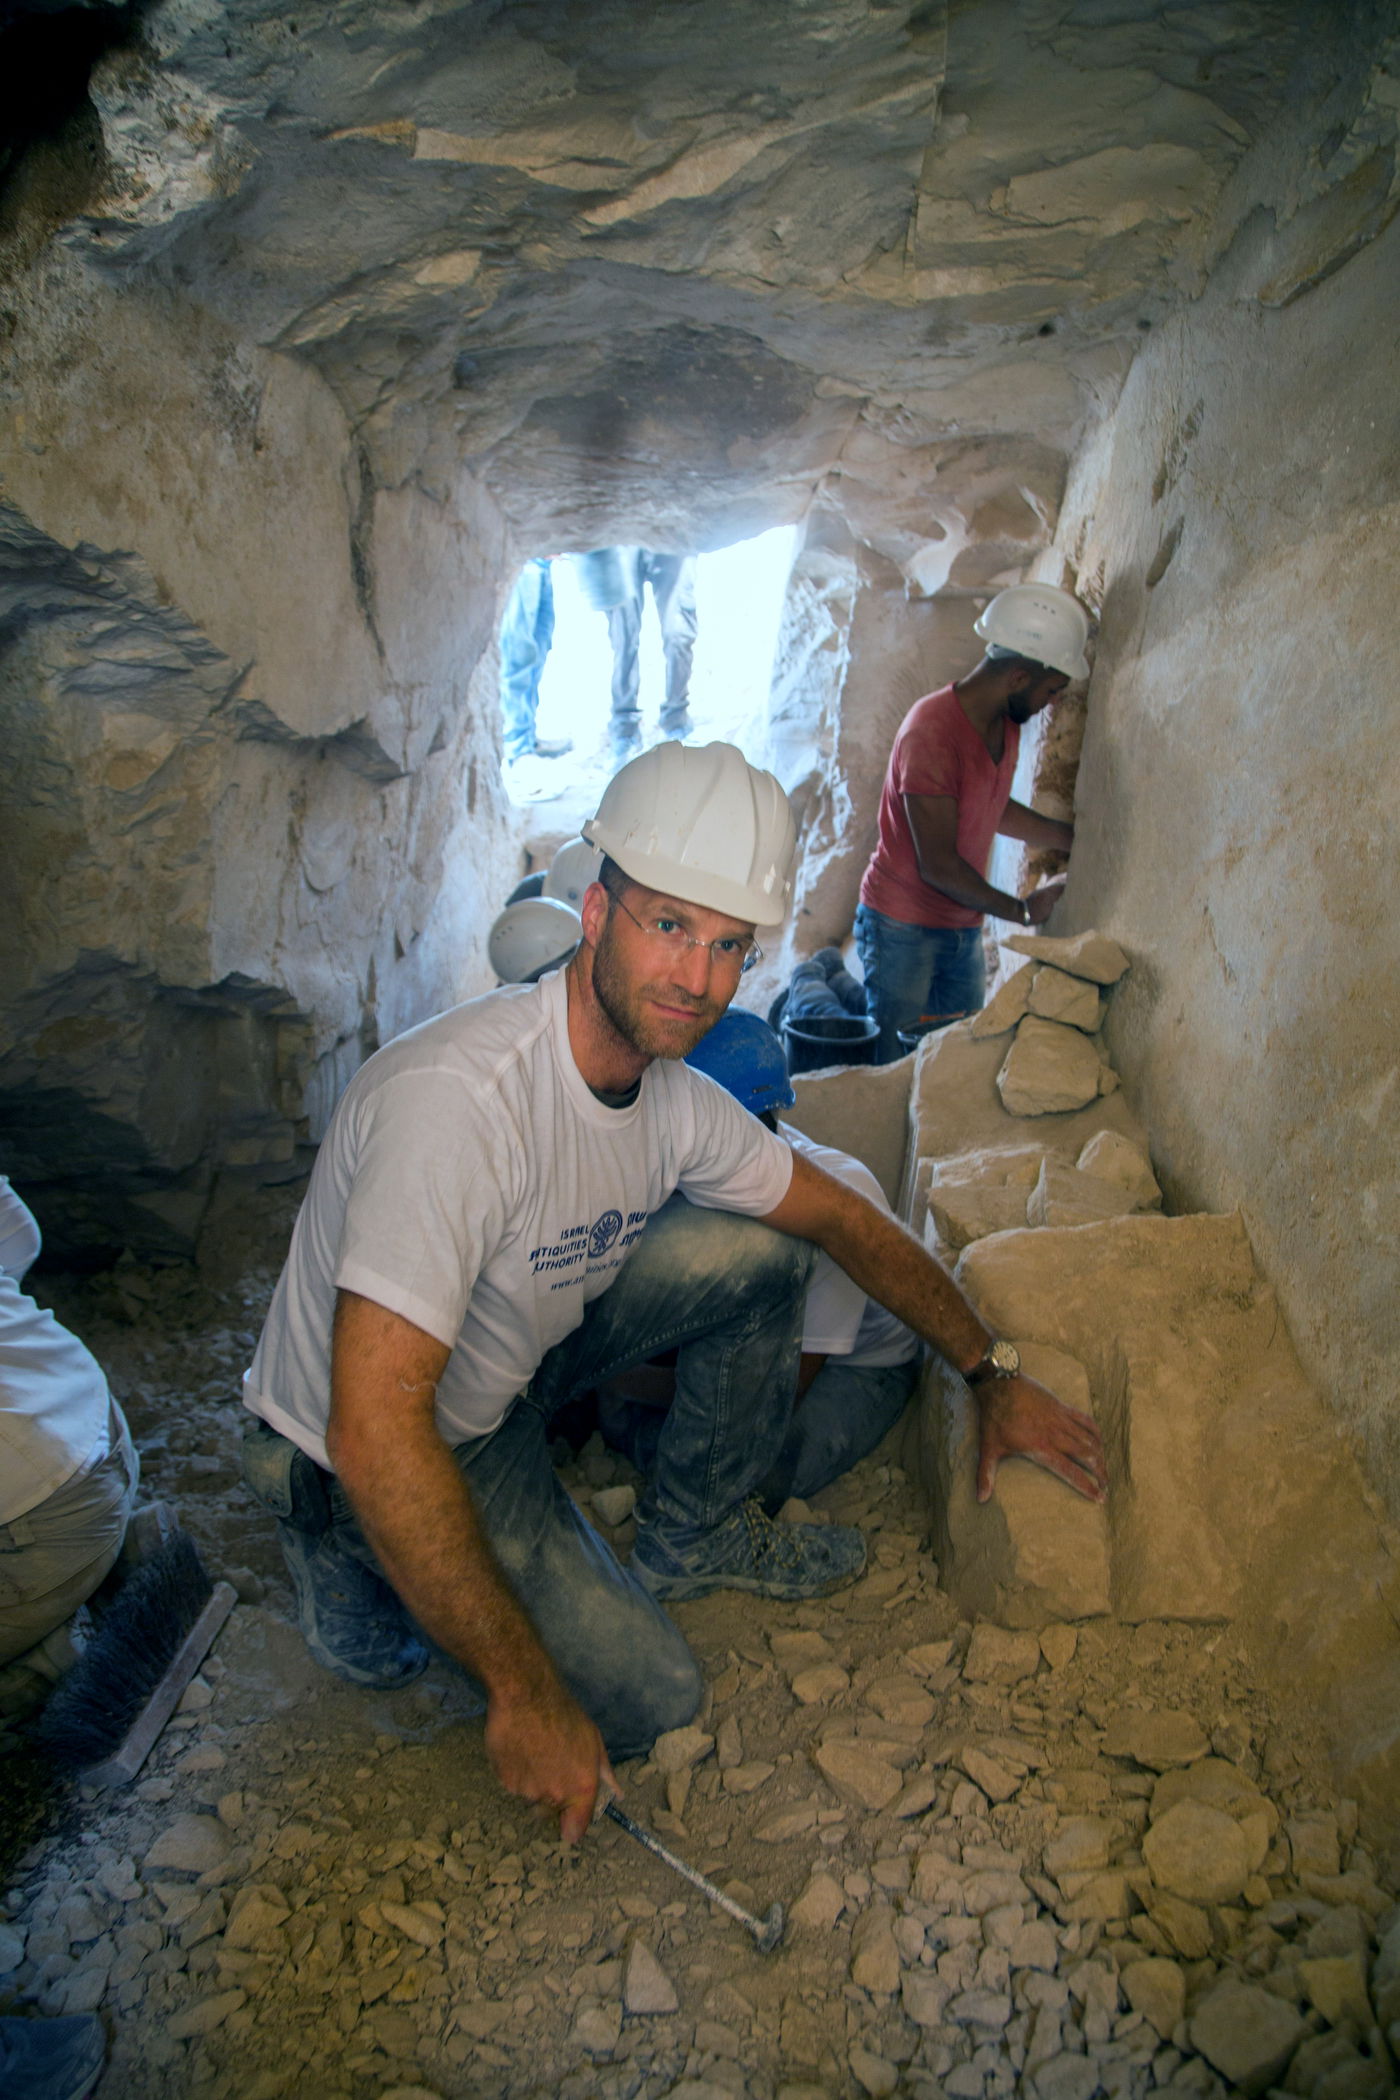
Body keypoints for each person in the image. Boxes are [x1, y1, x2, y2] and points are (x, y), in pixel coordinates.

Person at [240, 740, 1105, 1843]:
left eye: (728, 947)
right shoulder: (457, 1105)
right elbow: (374, 1425)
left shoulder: (673, 1101)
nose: (696, 979)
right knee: (649, 1701)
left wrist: (990, 1373)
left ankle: (696, 1532)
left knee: (769, 1246)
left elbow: (841, 1214)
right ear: (596, 912)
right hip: (374, 1430)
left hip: (510, 1364)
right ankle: (315, 1521)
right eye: (668, 926)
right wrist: (522, 1689)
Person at [599, 1011, 920, 1508]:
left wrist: (620, 1382)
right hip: (767, 1338)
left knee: (746, 1483)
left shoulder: (832, 1207)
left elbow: (776, 1394)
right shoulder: (690, 1175)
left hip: (857, 1366)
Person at [855, 582, 1090, 1060]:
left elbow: (990, 803)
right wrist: (1024, 911)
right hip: (903, 929)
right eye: (1051, 690)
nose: (1050, 703)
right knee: (896, 1063)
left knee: (957, 1060)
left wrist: (1067, 838)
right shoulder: (932, 734)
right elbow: (938, 865)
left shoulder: (1003, 722)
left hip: (960, 924)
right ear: (1019, 676)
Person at [0, 1179, 139, 1739]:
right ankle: (85, 1582)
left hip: (42, 1528)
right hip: (97, 1423)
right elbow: (17, 1235)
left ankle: (35, 1661)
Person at [598, 548, 698, 758]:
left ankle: (677, 721)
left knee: (678, 632)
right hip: (622, 535)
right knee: (623, 638)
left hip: (672, 531)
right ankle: (624, 730)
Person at [498, 558, 571, 765]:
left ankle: (527, 737)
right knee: (518, 655)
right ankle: (517, 748)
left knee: (538, 648)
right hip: (524, 564)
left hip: (543, 564)